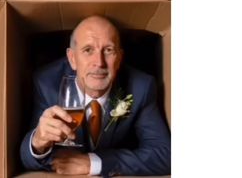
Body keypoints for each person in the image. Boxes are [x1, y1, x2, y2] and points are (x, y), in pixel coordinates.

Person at [19, 15, 170, 175]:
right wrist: (38, 142)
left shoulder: (141, 87)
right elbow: (27, 158)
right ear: (72, 58)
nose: (99, 62)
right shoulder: (46, 82)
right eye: (88, 50)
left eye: (108, 50)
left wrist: (94, 163)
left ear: (119, 59)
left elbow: (165, 155)